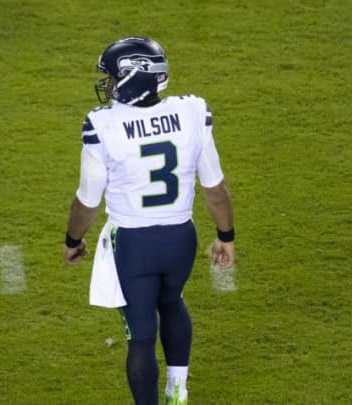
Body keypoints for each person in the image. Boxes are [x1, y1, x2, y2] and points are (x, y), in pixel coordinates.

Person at [62, 36, 235, 405]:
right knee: (172, 301)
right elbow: (215, 188)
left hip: (134, 245)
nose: (107, 85)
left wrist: (73, 239)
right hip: (181, 239)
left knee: (140, 336)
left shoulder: (103, 125)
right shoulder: (191, 112)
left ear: (132, 77)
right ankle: (178, 390)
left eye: (111, 77)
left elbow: (87, 201)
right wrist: (226, 235)